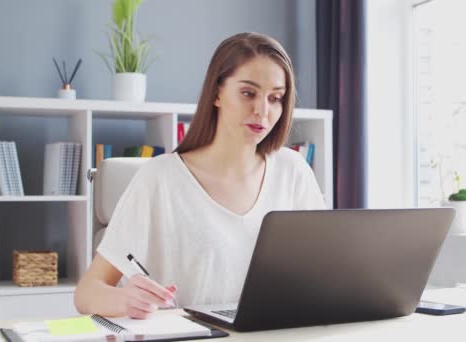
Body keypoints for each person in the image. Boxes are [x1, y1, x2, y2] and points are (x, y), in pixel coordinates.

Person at [74, 32, 325, 319]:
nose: (262, 111)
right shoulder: (160, 178)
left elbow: (324, 271)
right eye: (248, 93)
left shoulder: (293, 171)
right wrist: (125, 300)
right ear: (217, 93)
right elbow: (87, 293)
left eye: (276, 98)